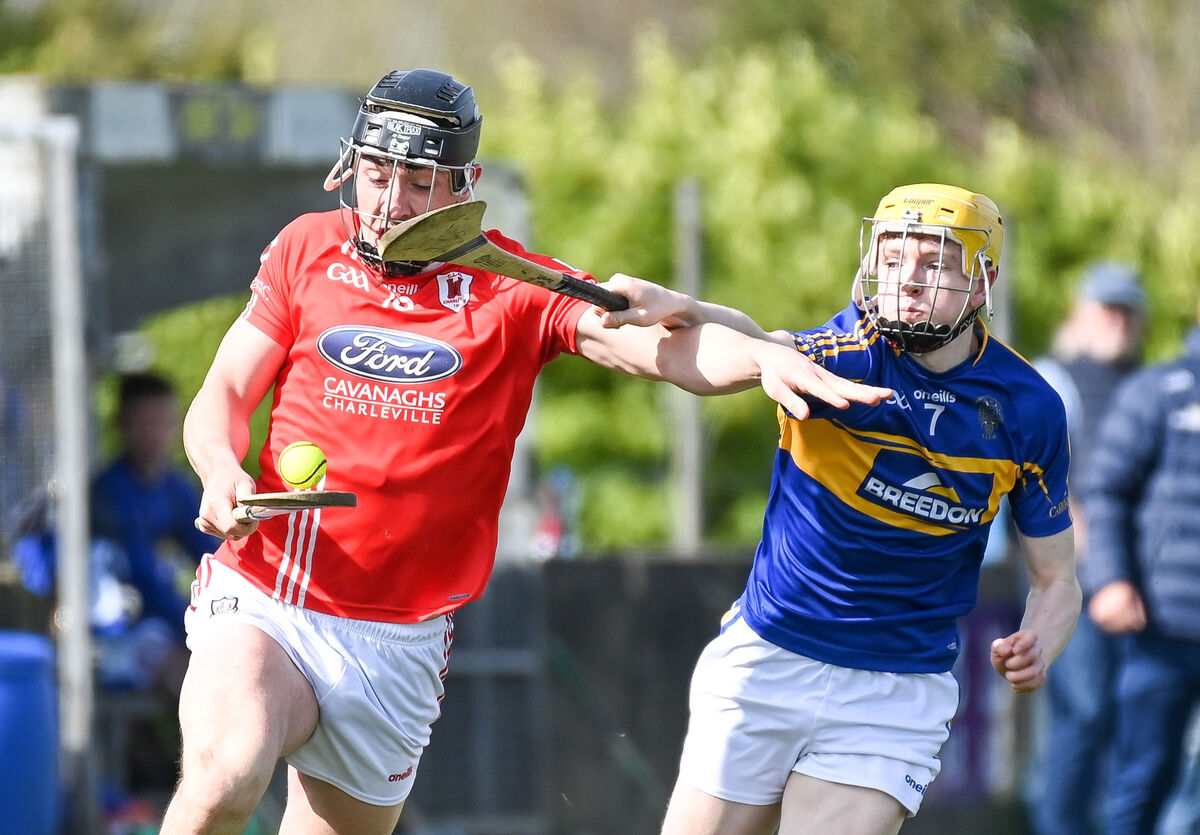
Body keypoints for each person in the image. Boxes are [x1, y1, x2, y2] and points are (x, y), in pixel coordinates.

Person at [158, 68, 891, 835]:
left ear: (463, 185)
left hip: (397, 639)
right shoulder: (306, 247)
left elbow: (664, 353)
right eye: (376, 175)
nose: (389, 202)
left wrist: (760, 359)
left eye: (416, 181)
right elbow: (226, 395)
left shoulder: (513, 287)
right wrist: (218, 468)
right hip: (271, 594)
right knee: (226, 771)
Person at [600, 183, 1082, 835]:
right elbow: (754, 341)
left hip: (894, 691)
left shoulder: (1029, 408)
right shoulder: (845, 353)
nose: (905, 280)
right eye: (891, 257)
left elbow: (1057, 577)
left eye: (933, 261)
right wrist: (686, 308)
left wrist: (1041, 638)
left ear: (982, 282)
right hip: (771, 657)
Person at [1024, 262, 1146, 835]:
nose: (1118, 321)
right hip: (1075, 580)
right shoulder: (1056, 379)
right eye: (1108, 308)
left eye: (1127, 310)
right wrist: (1093, 552)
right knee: (1083, 715)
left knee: (1131, 725)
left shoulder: (1149, 382)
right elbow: (1044, 479)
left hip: (1140, 588)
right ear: (1083, 313)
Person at [1082, 296, 1200, 835]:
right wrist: (1110, 580)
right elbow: (1104, 490)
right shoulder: (1158, 391)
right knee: (1144, 781)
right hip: (1163, 627)